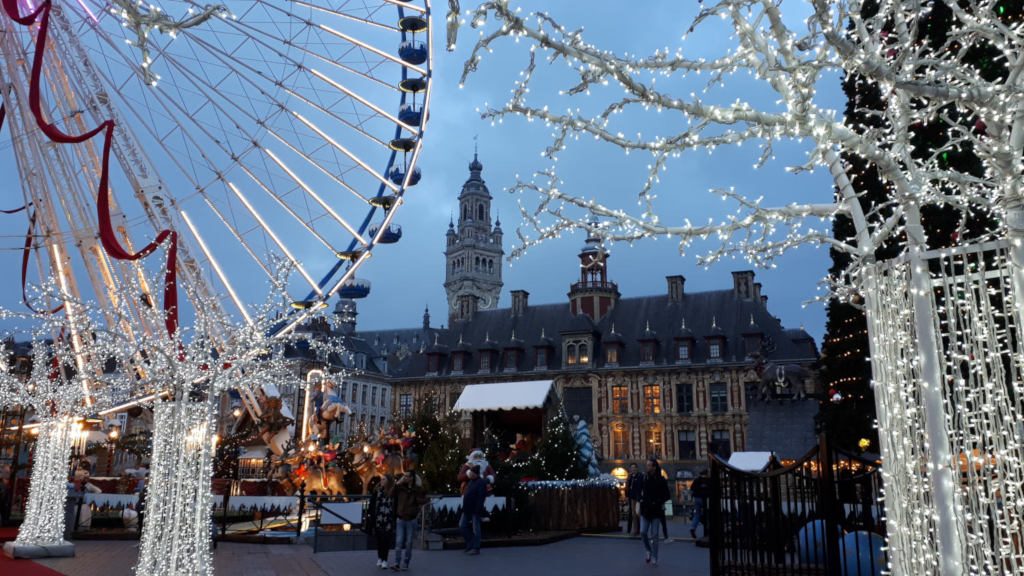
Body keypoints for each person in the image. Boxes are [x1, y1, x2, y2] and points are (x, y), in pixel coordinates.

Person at [391, 469, 427, 571]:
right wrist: (397, 483)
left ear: (412, 478)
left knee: (409, 543)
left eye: (407, 476)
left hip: (411, 519)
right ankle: (397, 563)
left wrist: (418, 494)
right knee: (398, 542)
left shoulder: (417, 489)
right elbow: (391, 494)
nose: (405, 477)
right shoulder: (400, 487)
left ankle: (406, 563)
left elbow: (423, 499)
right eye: (404, 476)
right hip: (400, 518)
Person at [639, 457, 670, 566]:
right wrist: (640, 500)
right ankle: (648, 549)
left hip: (656, 511)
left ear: (654, 467)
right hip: (645, 510)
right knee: (643, 532)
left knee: (655, 535)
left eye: (649, 465)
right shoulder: (644, 478)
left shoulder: (661, 480)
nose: (647, 467)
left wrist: (658, 501)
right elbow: (639, 491)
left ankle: (654, 557)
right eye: (646, 465)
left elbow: (667, 495)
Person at [367, 474, 396, 569]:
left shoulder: (392, 492)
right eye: (382, 479)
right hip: (378, 518)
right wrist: (371, 515)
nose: (382, 481)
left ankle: (385, 560)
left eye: (384, 479)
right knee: (379, 540)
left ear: (389, 481)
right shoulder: (377, 491)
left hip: (388, 519)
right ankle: (380, 557)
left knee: (386, 540)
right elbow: (372, 504)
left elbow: (395, 505)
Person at [460, 465, 487, 556]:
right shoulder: (471, 482)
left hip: (475, 509)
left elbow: (481, 497)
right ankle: (471, 543)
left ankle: (476, 547)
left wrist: (478, 509)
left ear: (475, 474)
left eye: (471, 473)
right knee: (462, 526)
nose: (470, 475)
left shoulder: (481, 483)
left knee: (476, 529)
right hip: (467, 508)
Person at [689, 470, 711, 540]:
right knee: (708, 514)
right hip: (706, 499)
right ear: (707, 474)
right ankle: (707, 529)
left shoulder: (696, 480)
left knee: (697, 514)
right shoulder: (709, 480)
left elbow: (691, 489)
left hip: (697, 498)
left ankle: (693, 528)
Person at [625, 463, 644, 536]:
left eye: (634, 468)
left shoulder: (640, 476)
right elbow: (628, 487)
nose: (632, 469)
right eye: (631, 468)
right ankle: (635, 530)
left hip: (638, 498)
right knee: (634, 515)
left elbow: (641, 487)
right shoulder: (630, 477)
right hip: (632, 498)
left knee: (638, 514)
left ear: (637, 468)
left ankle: (640, 530)